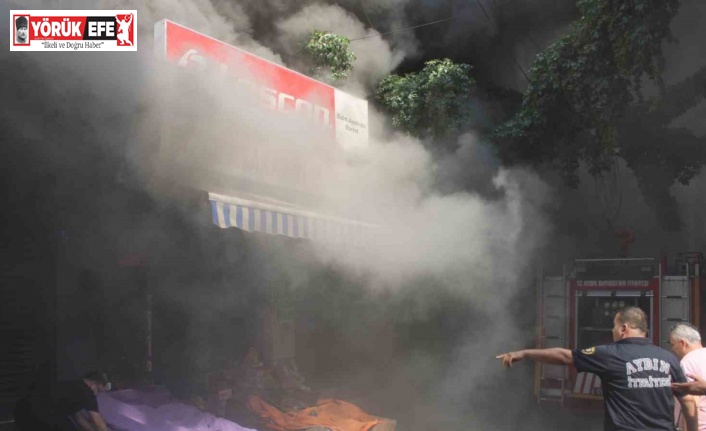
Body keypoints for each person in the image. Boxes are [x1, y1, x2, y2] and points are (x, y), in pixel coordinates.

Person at [496, 306, 698, 431]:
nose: (612, 330)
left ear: (623, 329)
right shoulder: (669, 358)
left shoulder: (610, 354)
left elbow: (565, 356)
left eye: (614, 326)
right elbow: (688, 402)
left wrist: (524, 353)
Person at [15, 371, 113, 431]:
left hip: (22, 413)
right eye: (99, 390)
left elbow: (79, 419)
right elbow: (98, 423)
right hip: (40, 416)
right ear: (94, 384)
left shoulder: (73, 387)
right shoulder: (87, 392)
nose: (97, 394)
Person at [670, 322, 706, 430]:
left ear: (683, 343)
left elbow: (691, 403)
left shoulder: (688, 362)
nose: (672, 349)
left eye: (672, 344)